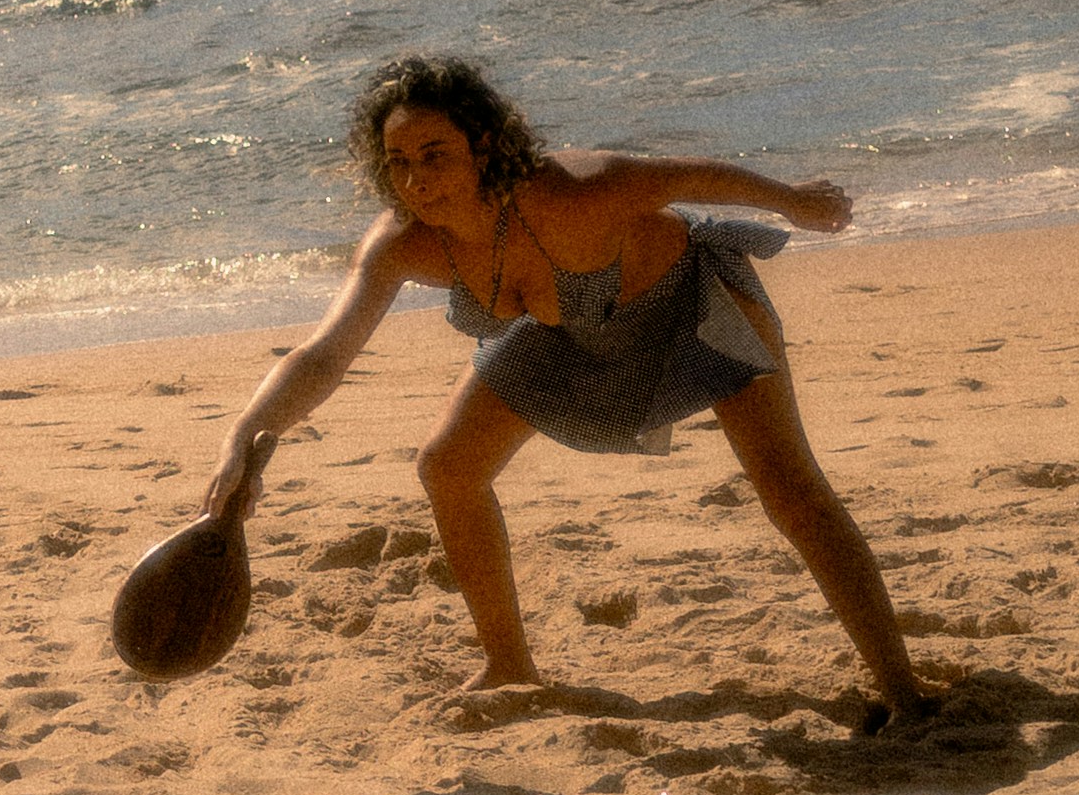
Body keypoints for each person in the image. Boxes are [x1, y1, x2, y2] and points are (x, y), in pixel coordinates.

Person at [200, 53, 927, 719]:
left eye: (435, 155)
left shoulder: (573, 191)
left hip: (691, 306)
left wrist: (792, 200)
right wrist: (242, 441)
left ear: (483, 146)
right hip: (564, 331)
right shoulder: (403, 243)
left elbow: (683, 176)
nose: (416, 181)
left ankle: (903, 691)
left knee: (790, 489)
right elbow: (323, 355)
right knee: (448, 467)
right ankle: (508, 666)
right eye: (398, 162)